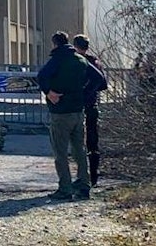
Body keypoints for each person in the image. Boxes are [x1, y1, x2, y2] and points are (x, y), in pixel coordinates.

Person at [36, 31, 107, 201]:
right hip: (78, 111)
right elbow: (99, 78)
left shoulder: (58, 58)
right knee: (79, 150)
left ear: (55, 44)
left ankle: (65, 188)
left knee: (60, 152)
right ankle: (84, 185)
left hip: (61, 111)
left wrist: (49, 92)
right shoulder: (80, 59)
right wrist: (84, 93)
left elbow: (41, 76)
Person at [72, 34, 106, 186]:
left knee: (78, 141)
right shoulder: (95, 62)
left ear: (75, 46)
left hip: (79, 105)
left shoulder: (77, 62)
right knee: (93, 140)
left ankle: (83, 176)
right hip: (92, 104)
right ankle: (94, 174)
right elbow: (103, 84)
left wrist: (83, 92)